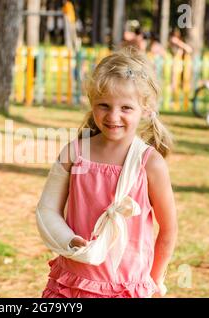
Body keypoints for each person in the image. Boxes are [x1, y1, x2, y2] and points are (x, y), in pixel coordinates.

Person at [36, 47, 178, 298]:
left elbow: (168, 230)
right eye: (104, 105)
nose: (113, 116)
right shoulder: (75, 152)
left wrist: (154, 284)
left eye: (126, 108)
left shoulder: (150, 163)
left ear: (145, 109)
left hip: (126, 287)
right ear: (92, 103)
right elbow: (47, 210)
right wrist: (68, 240)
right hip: (72, 283)